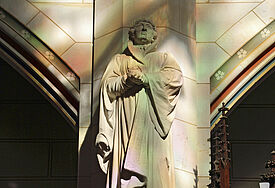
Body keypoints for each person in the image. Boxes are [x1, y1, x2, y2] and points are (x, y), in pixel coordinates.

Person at [95, 19, 183, 188]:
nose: (143, 28)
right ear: (131, 34)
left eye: (148, 27)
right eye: (138, 27)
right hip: (125, 122)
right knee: (126, 169)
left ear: (154, 36)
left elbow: (175, 78)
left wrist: (148, 78)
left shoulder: (164, 58)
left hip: (152, 121)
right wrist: (126, 81)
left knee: (154, 170)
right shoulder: (120, 60)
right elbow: (107, 87)